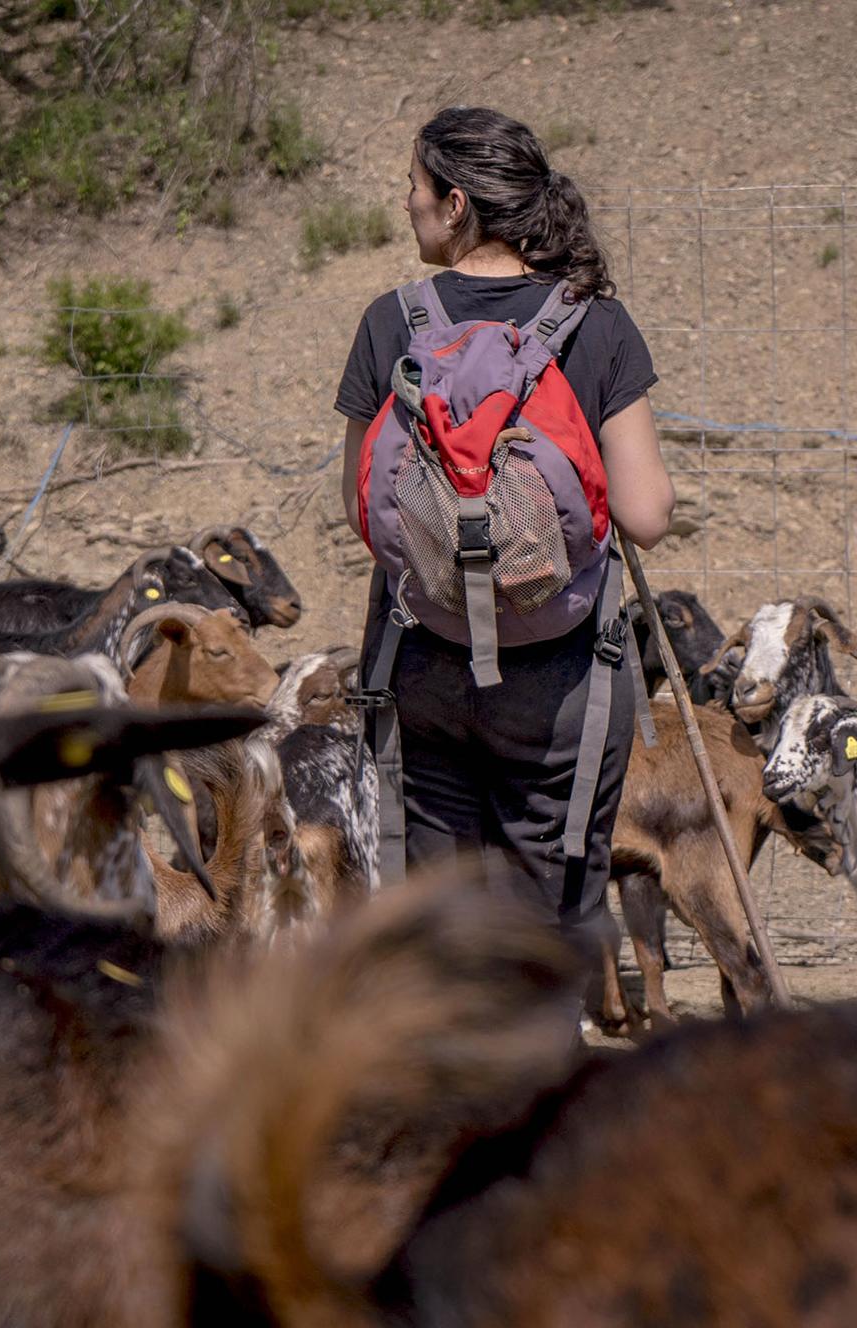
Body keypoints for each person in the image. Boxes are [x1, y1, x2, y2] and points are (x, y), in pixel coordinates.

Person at [335, 106, 674, 934]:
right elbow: (646, 514)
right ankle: (550, 1063)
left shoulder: (393, 321)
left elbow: (359, 508)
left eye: (413, 188)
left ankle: (456, 1064)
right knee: (545, 935)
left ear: (456, 206)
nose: (405, 204)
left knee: (445, 933)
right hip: (558, 683)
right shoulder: (594, 321)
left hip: (423, 664)